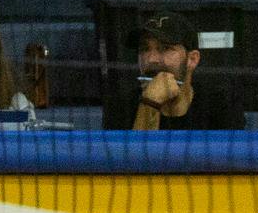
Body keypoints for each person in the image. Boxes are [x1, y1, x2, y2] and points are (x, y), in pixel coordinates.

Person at [103, 10, 244, 132]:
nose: (151, 59)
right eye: (144, 49)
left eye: (165, 48)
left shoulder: (221, 105)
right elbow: (131, 162)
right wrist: (150, 103)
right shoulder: (120, 106)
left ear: (192, 60)